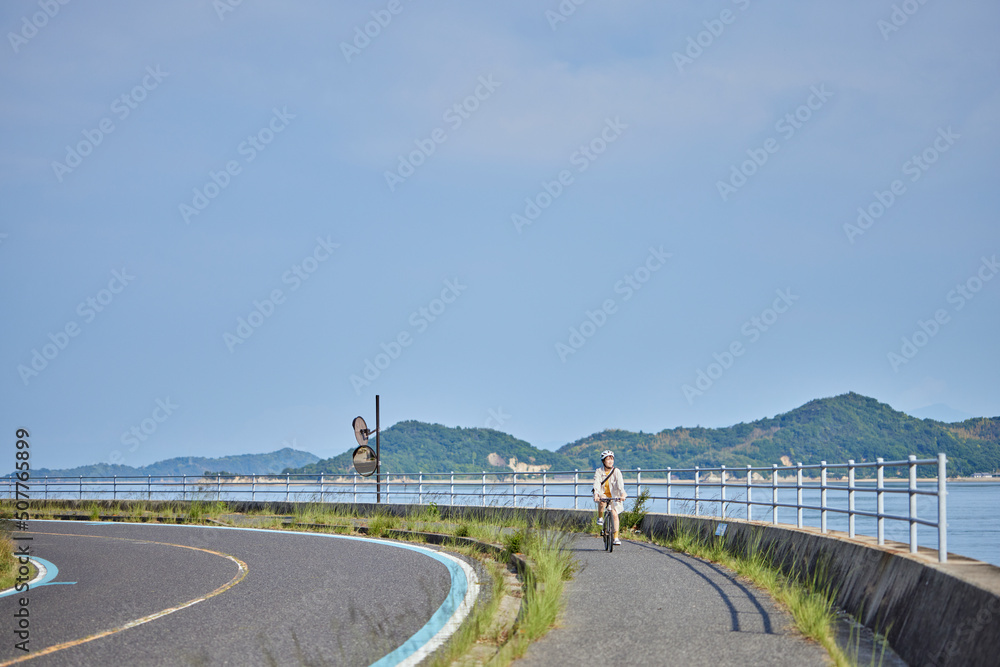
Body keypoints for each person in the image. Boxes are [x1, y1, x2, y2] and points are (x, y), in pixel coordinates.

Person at [592, 449, 627, 546]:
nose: (610, 461)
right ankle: (600, 517)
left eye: (612, 459)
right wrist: (596, 494)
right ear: (603, 461)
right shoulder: (599, 471)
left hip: (614, 495)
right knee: (602, 501)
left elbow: (620, 485)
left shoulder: (616, 471)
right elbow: (596, 483)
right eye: (608, 459)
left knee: (615, 514)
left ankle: (615, 537)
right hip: (602, 494)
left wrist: (622, 494)